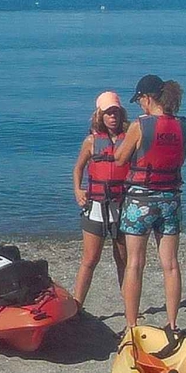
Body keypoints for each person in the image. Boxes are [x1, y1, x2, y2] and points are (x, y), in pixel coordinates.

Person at [115, 75, 186, 331]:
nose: (140, 105)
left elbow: (120, 158)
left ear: (148, 99)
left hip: (140, 200)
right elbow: (180, 159)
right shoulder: (183, 126)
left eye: (140, 100)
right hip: (170, 199)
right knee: (171, 264)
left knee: (135, 263)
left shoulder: (140, 125)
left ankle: (131, 324)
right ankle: (172, 323)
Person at [70, 91, 130, 306]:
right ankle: (77, 305)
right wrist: (78, 190)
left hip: (121, 205)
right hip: (96, 205)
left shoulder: (130, 138)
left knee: (123, 260)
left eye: (116, 112)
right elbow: (78, 168)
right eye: (108, 113)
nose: (112, 117)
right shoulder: (91, 141)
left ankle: (130, 307)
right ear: (100, 115)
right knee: (89, 260)